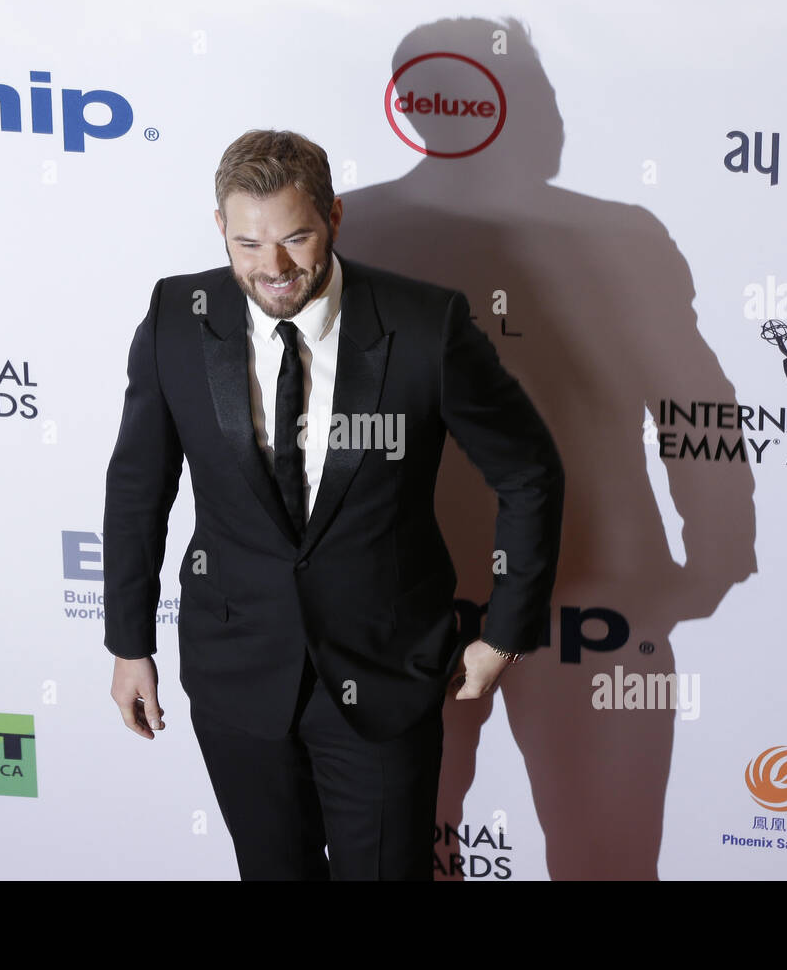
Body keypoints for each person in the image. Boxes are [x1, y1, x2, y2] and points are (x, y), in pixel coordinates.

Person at [104, 129, 563, 880]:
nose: (272, 267)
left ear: (335, 219)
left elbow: (528, 471)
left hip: (384, 671)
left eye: (295, 238)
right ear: (219, 226)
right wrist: (129, 642)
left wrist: (506, 631)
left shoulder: (423, 326)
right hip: (237, 672)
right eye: (247, 242)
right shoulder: (174, 318)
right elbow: (137, 487)